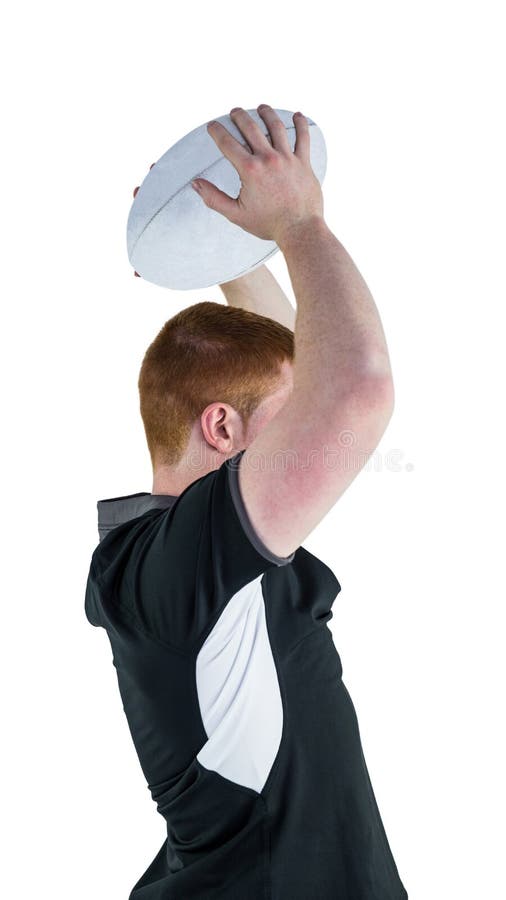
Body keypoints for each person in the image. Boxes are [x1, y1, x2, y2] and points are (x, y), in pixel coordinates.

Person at [85, 104, 409, 899]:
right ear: (222, 427)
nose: (302, 433)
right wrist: (299, 224)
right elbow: (353, 392)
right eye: (282, 420)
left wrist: (224, 248)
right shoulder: (177, 569)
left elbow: (305, 374)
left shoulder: (189, 565)